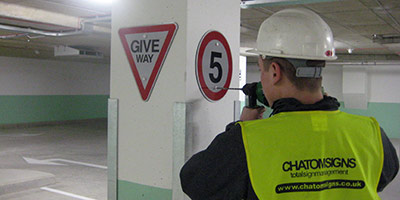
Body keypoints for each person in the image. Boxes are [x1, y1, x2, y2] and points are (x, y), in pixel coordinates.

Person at [180, 8, 399, 200]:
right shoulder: (371, 132)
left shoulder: (245, 142)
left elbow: (193, 181)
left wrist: (239, 128)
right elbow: (382, 176)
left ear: (274, 71)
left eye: (262, 69)